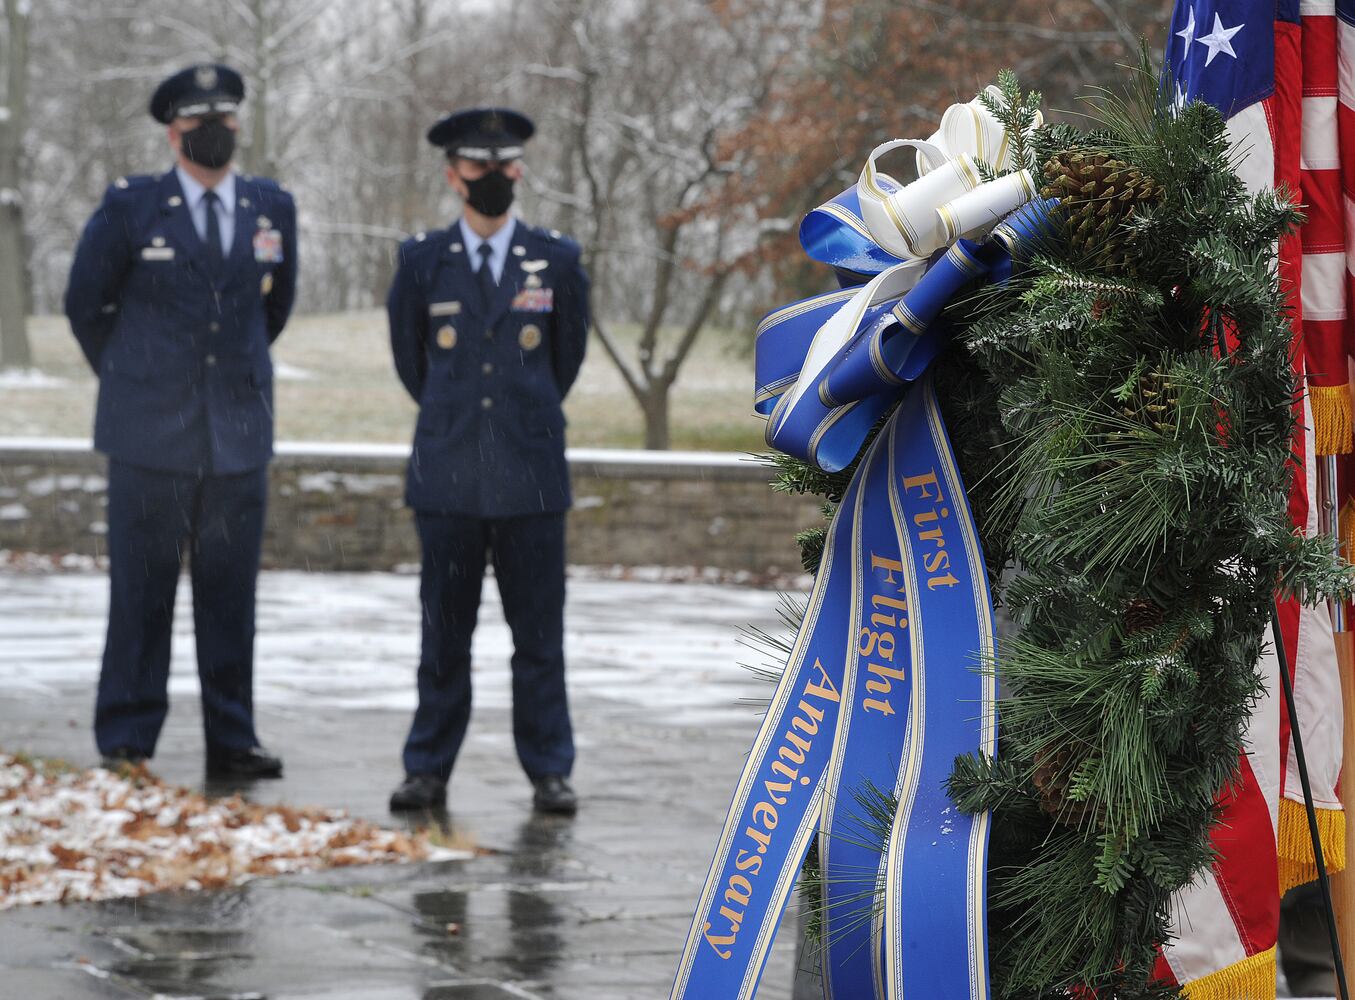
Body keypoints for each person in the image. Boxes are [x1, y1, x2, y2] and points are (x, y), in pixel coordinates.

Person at [64, 63, 297, 779]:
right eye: (198, 122)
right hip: (149, 439)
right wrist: (137, 379)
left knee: (230, 596)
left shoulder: (270, 206)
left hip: (236, 437)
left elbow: (274, 307)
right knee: (143, 593)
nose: (214, 133)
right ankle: (128, 737)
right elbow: (84, 303)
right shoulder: (134, 205)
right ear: (173, 132)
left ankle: (233, 737)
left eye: (225, 120)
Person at [386, 107, 589, 815]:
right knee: (443, 637)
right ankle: (427, 769)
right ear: (453, 175)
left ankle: (549, 771)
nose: (494, 177)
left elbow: (563, 365)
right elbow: (414, 368)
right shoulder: (420, 261)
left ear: (520, 171)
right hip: (446, 482)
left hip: (532, 482)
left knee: (538, 641)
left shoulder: (556, 260)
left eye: (505, 165)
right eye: (479, 166)